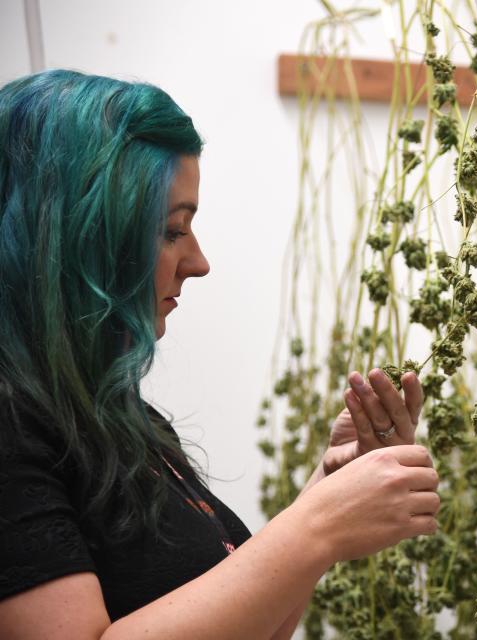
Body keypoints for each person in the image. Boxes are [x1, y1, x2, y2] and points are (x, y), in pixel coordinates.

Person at [0, 69, 439, 639]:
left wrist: (326, 490)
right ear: (79, 236)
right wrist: (317, 528)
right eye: (171, 231)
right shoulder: (12, 422)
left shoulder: (122, 422)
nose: (199, 262)